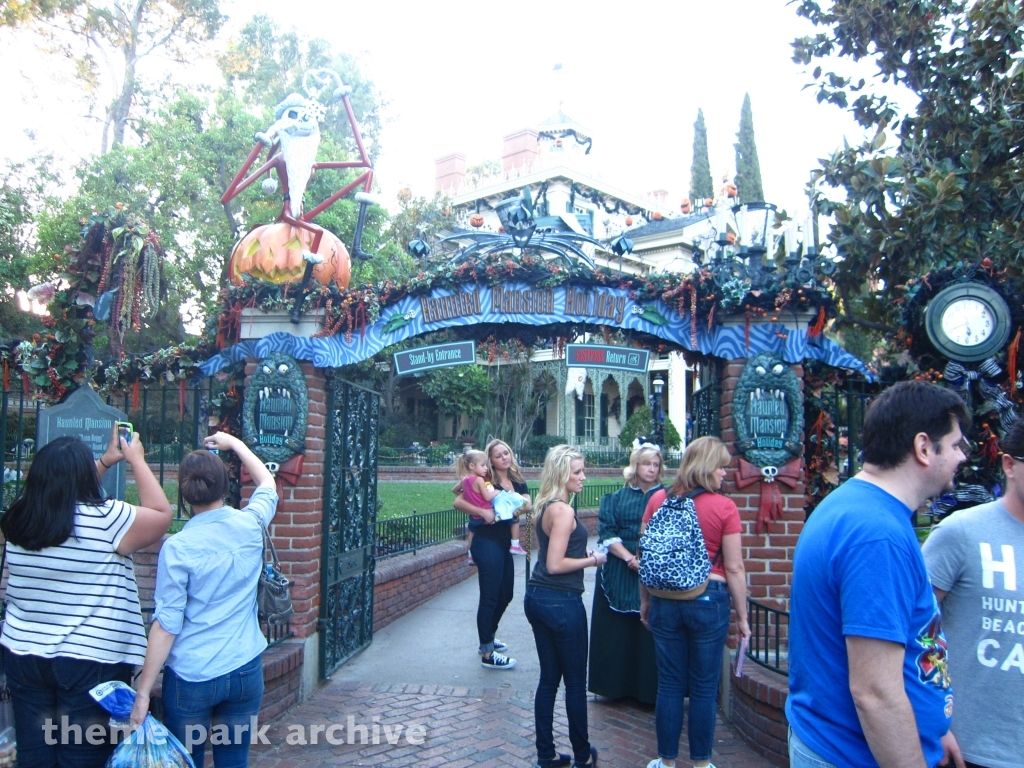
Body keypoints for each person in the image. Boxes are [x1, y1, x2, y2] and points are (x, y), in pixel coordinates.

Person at [787, 380, 969, 768]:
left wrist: (932, 727)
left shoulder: (854, 506)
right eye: (955, 445)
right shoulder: (876, 535)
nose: (962, 457)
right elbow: (874, 692)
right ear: (923, 447)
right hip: (851, 755)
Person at [0, 428, 173, 768]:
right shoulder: (108, 519)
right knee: (81, 756)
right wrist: (136, 459)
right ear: (83, 477)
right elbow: (161, 514)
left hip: (24, 654)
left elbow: (61, 487)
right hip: (89, 661)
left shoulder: (19, 518)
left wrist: (106, 461)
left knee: (35, 756)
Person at [129, 431, 278, 768]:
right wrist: (235, 444)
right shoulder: (252, 524)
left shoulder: (178, 548)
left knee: (186, 761)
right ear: (224, 485)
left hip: (191, 675)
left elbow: (167, 625)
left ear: (184, 493)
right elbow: (268, 483)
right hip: (244, 667)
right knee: (234, 759)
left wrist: (143, 691)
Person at [640, 436, 750, 768]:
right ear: (706, 467)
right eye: (721, 467)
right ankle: (701, 764)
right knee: (704, 687)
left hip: (664, 600)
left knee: (670, 683)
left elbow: (646, 556)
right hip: (709, 600)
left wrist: (645, 600)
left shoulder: (657, 499)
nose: (724, 474)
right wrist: (743, 617)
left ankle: (666, 762)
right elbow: (734, 567)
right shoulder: (724, 507)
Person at [922, 417, 1024, 768]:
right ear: (1009, 465)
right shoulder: (962, 533)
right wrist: (932, 721)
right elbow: (910, 629)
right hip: (971, 750)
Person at [525, 445, 604, 768]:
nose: (583, 477)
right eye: (578, 472)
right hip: (560, 601)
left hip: (538, 597)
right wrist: (594, 560)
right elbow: (555, 564)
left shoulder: (545, 505)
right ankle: (583, 756)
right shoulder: (562, 511)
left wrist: (582, 555)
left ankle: (547, 754)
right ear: (562, 474)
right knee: (574, 683)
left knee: (548, 679)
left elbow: (551, 556)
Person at [588, 442, 663, 704]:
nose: (651, 469)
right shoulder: (616, 499)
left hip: (655, 566)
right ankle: (615, 687)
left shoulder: (666, 498)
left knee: (648, 630)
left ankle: (648, 691)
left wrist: (647, 560)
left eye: (656, 465)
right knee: (619, 631)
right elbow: (608, 533)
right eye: (646, 464)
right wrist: (630, 557)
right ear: (635, 466)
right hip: (619, 566)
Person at [452, 439, 532, 669]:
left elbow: (527, 504)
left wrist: (517, 504)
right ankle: (487, 653)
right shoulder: (484, 478)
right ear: (490, 461)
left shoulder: (517, 479)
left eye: (506, 453)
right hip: (486, 541)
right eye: (498, 455)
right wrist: (482, 511)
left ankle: (488, 635)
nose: (504, 457)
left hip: (504, 542)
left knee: (506, 594)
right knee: (489, 596)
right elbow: (458, 501)